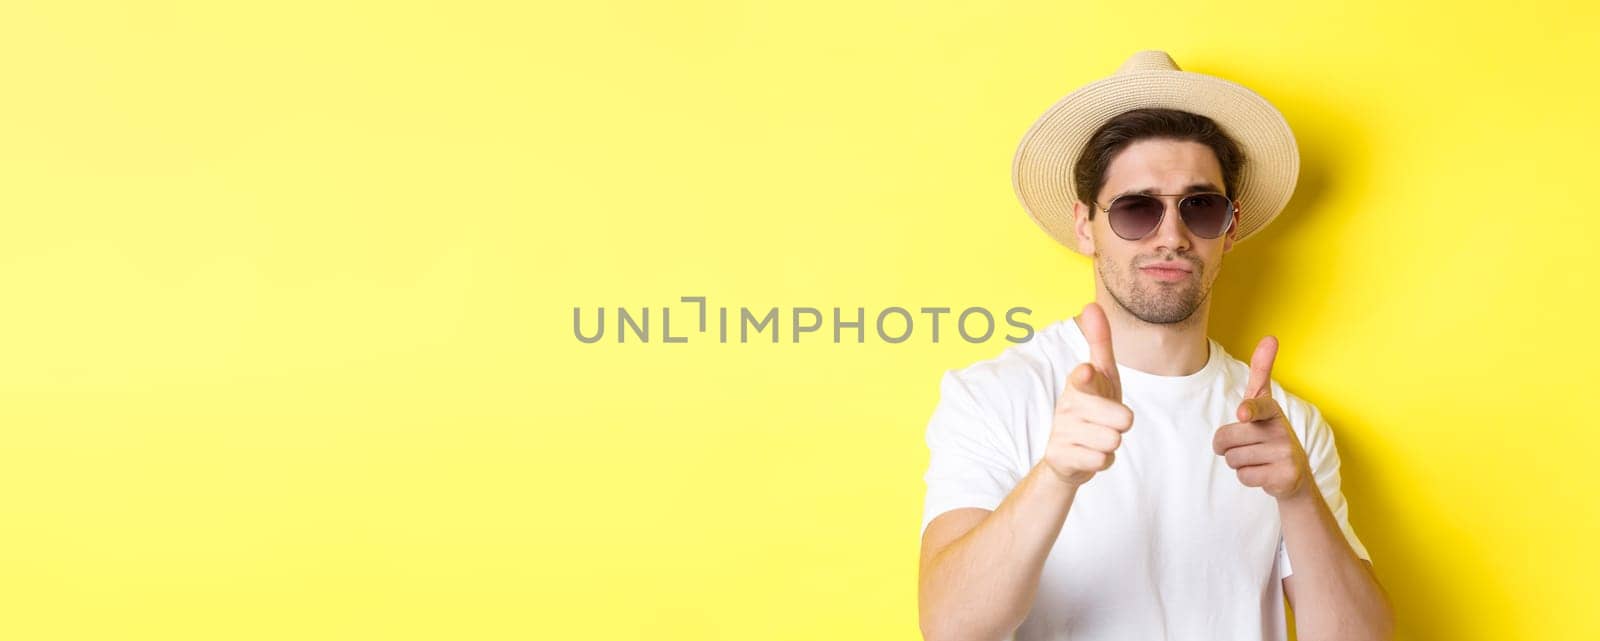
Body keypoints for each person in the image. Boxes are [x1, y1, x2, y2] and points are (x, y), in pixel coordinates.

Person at [916, 51, 1394, 641]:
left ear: (1230, 227)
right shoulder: (994, 396)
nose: (1171, 236)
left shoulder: (1286, 426)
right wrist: (1056, 475)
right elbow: (949, 629)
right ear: (1085, 225)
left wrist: (1297, 497)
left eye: (1201, 206)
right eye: (1137, 208)